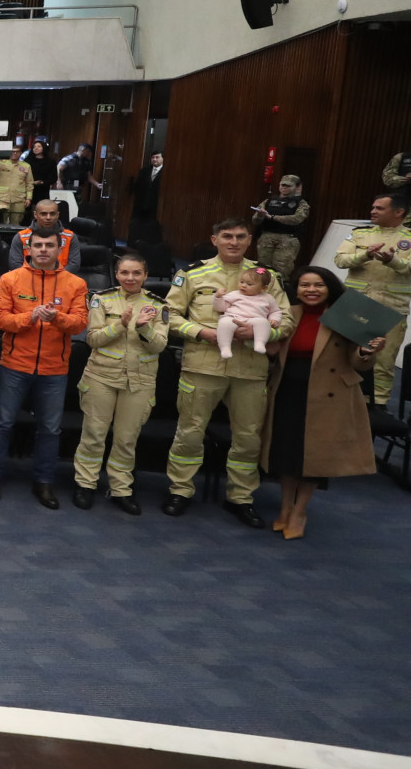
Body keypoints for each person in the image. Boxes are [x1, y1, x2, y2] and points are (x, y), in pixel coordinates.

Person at [164, 218, 292, 526]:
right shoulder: (193, 273)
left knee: (248, 438)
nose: (233, 242)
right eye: (226, 236)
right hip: (204, 364)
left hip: (249, 368)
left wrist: (265, 334)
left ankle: (241, 497)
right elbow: (168, 314)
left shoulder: (267, 275)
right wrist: (200, 332)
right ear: (215, 239)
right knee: (190, 433)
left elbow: (286, 319)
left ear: (250, 240)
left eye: (239, 237)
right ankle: (180, 490)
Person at [264, 267, 386, 540]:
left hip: (328, 395)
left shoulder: (346, 316)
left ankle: (299, 512)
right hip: (287, 390)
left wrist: (366, 351)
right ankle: (285, 508)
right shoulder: (288, 313)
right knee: (286, 451)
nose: (311, 290)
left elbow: (359, 362)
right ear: (296, 290)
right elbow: (272, 352)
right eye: (305, 285)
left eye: (318, 285)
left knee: (313, 456)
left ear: (329, 288)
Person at [0, 228, 87, 507]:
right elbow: (1, 320)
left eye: (49, 245)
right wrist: (30, 317)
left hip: (54, 369)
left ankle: (44, 482)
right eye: (37, 245)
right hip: (15, 364)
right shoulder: (10, 279)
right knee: (1, 424)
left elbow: (79, 324)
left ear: (59, 248)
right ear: (29, 247)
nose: (42, 250)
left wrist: (57, 318)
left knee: (50, 430)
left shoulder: (75, 283)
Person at [72, 251, 167, 513]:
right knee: (93, 434)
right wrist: (121, 325)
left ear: (146, 275)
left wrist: (144, 327)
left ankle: (121, 488)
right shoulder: (101, 300)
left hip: (139, 382)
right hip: (101, 376)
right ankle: (85, 484)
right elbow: (92, 339)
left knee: (126, 439)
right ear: (116, 274)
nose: (130, 277)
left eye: (137, 273)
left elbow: (159, 346)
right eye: (125, 272)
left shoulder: (158, 305)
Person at [333, 192, 411, 405]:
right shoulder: (360, 234)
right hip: (355, 303)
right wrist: (365, 255)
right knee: (340, 356)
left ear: (399, 212)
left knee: (383, 362)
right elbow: (340, 260)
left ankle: (377, 406)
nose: (373, 211)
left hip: (391, 307)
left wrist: (393, 260)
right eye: (373, 207)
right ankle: (336, 401)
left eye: (379, 208)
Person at [215, 266, 285, 358]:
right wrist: (218, 297)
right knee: (224, 323)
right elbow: (221, 308)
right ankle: (225, 347)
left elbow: (275, 311)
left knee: (263, 323)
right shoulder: (234, 294)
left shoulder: (268, 298)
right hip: (233, 318)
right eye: (242, 282)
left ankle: (259, 343)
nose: (243, 285)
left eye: (249, 284)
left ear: (263, 288)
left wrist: (274, 320)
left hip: (254, 320)